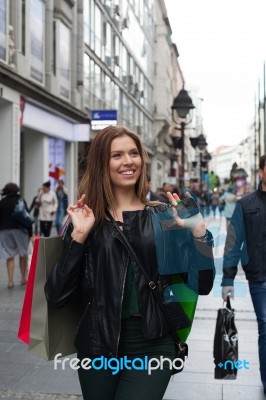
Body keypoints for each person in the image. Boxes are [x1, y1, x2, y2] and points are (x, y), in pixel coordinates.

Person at [45, 126, 215, 400]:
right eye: (117, 155)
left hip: (153, 342)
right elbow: (57, 296)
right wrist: (78, 235)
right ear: (103, 163)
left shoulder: (163, 216)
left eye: (134, 153)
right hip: (97, 343)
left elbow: (202, 284)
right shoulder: (86, 221)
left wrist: (199, 235)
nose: (128, 161)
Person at [222, 154, 266, 398]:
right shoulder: (246, 204)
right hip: (260, 277)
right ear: (261, 171)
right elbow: (233, 242)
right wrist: (228, 279)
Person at [0, 183, 31, 288]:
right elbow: (27, 217)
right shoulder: (20, 201)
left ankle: (10, 281)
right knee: (23, 254)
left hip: (4, 231)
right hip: (19, 230)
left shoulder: (2, 202)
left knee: (9, 256)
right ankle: (23, 278)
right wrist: (29, 233)